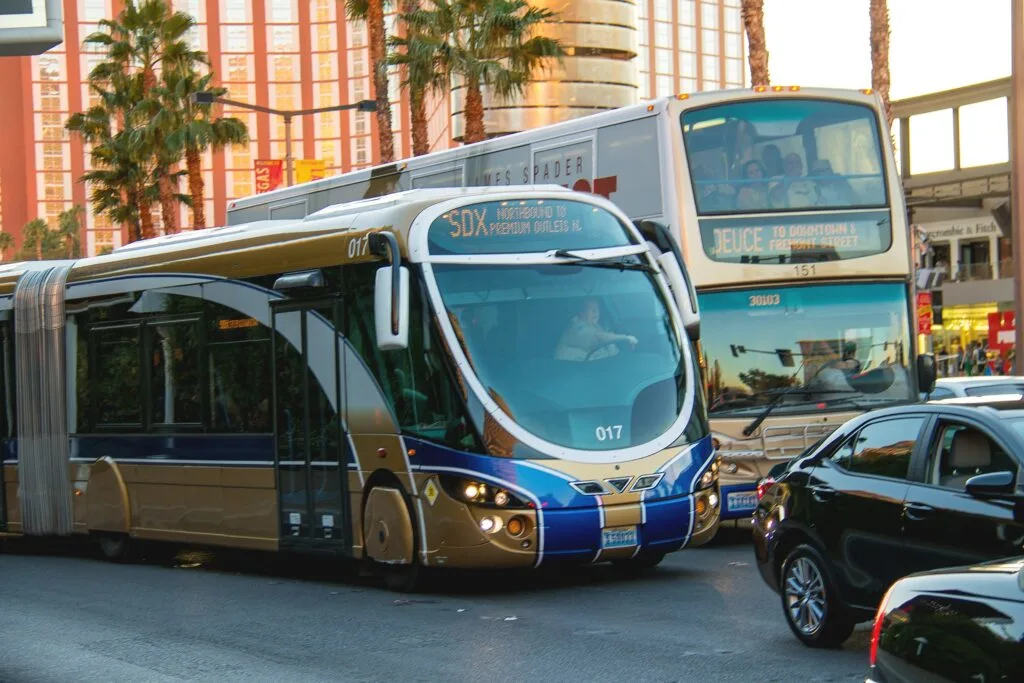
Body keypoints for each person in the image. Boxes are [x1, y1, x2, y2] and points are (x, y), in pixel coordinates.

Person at [555, 298, 637, 361]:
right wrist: (626, 338)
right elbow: (598, 338)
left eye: (597, 309)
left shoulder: (600, 328)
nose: (596, 312)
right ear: (581, 314)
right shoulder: (575, 329)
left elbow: (614, 355)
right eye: (591, 309)